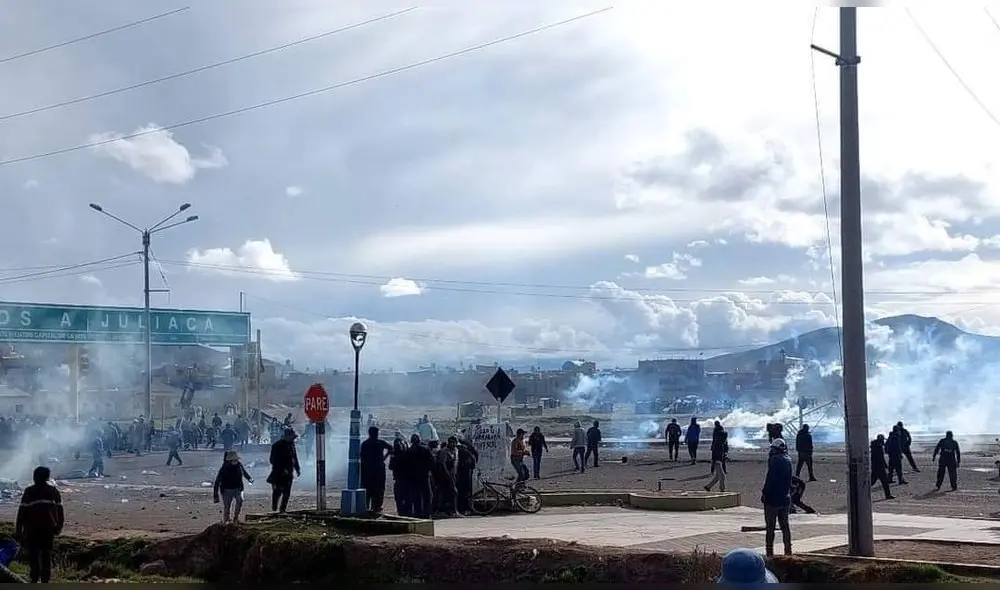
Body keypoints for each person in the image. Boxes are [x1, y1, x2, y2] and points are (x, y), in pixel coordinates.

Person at [15, 466, 64, 584]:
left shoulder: (29, 491)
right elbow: (60, 512)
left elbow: (21, 513)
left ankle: (35, 579)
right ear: (47, 478)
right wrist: (59, 527)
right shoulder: (53, 491)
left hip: (32, 531)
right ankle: (44, 581)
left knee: (34, 557)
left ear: (35, 477)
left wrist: (18, 531)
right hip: (48, 530)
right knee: (46, 557)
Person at [761, 438, 793, 557]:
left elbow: (770, 480)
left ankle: (769, 552)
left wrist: (765, 493)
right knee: (785, 526)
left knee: (770, 527)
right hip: (785, 498)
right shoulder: (788, 460)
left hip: (773, 499)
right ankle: (788, 551)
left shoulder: (774, 461)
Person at [213, 450, 253, 524]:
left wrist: (249, 479)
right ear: (229, 461)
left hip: (238, 489)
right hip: (226, 490)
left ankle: (236, 517)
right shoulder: (224, 469)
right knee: (227, 506)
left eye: (236, 460)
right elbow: (217, 481)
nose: (235, 461)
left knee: (240, 500)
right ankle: (226, 520)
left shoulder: (239, 465)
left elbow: (244, 473)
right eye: (234, 460)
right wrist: (215, 495)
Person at [266, 429, 301, 513]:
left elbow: (294, 457)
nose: (293, 439)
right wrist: (282, 469)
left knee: (287, 492)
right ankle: (274, 507)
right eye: (291, 437)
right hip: (278, 473)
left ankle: (283, 510)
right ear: (286, 436)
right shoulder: (276, 446)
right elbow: (272, 460)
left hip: (289, 472)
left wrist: (297, 468)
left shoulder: (291, 444)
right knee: (277, 491)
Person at [360, 426, 392, 514]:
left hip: (368, 469)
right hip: (379, 469)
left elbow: (361, 457)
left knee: (368, 488)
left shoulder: (365, 444)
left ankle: (367, 506)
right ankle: (376, 507)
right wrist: (384, 458)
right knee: (379, 488)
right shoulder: (380, 443)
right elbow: (391, 448)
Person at [404, 433, 435, 519]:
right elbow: (432, 462)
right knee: (427, 495)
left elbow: (406, 465)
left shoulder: (409, 451)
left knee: (415, 496)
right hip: (424, 476)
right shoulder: (425, 449)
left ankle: (417, 513)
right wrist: (430, 471)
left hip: (413, 477)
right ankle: (427, 513)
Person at [388, 432, 411, 516]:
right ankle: (404, 512)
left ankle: (402, 512)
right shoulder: (406, 454)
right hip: (403, 479)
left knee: (401, 497)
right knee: (404, 497)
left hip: (401, 479)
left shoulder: (396, 456)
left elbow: (390, 467)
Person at [869, 434, 894, 500]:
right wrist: (885, 466)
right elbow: (881, 458)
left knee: (872, 482)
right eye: (883, 440)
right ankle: (888, 495)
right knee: (885, 482)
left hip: (875, 467)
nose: (884, 441)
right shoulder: (879, 447)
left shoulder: (874, 446)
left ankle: (863, 490)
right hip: (880, 468)